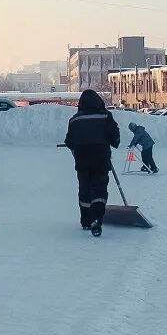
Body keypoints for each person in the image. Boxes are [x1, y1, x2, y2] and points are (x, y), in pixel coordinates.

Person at [64, 89, 120, 236]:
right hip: (101, 158)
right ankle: (97, 218)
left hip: (82, 160)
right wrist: (111, 141)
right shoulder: (105, 116)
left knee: (84, 189)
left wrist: (77, 147)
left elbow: (69, 141)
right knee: (99, 188)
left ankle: (86, 220)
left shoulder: (74, 120)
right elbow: (115, 138)